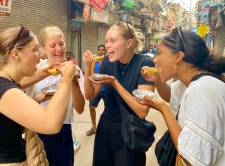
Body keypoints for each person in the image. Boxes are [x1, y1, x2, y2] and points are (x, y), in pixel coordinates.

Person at [0, 26, 76, 166]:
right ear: (15, 54)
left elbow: (22, 84)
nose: (41, 55)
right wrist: (67, 76)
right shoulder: (0, 89)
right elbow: (51, 123)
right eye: (35, 50)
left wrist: (48, 71)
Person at [139, 27, 225, 166]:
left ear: (178, 57)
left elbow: (192, 160)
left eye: (160, 53)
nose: (155, 60)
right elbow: (172, 97)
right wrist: (157, 81)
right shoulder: (194, 79)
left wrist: (164, 110)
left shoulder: (201, 91)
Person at [82, 21, 155, 166]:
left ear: (129, 43)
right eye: (106, 41)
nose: (107, 45)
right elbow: (90, 95)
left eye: (113, 41)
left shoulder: (144, 63)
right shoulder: (108, 63)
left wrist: (115, 83)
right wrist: (87, 66)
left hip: (130, 130)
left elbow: (142, 111)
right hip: (106, 127)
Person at [25, 26, 85, 166]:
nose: (59, 49)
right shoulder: (36, 70)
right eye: (52, 45)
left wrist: (73, 80)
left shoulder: (74, 71)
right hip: (38, 129)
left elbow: (80, 108)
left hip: (63, 129)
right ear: (43, 49)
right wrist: (38, 99)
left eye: (61, 44)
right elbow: (24, 104)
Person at [86, 44, 107, 136]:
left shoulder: (109, 61)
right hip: (95, 89)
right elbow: (90, 73)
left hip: (107, 89)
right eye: (100, 50)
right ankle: (94, 126)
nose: (101, 51)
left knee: (109, 109)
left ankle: (106, 128)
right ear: (98, 51)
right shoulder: (94, 62)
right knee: (91, 107)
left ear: (105, 51)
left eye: (103, 50)